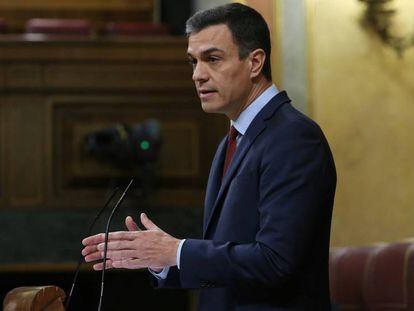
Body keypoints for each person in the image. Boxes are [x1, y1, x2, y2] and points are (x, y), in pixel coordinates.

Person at [82, 3, 336, 310]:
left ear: (254, 62)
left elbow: (276, 261)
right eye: (193, 62)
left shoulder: (294, 138)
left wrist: (178, 251)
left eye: (212, 59)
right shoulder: (232, 140)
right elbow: (226, 266)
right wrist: (160, 259)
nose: (197, 75)